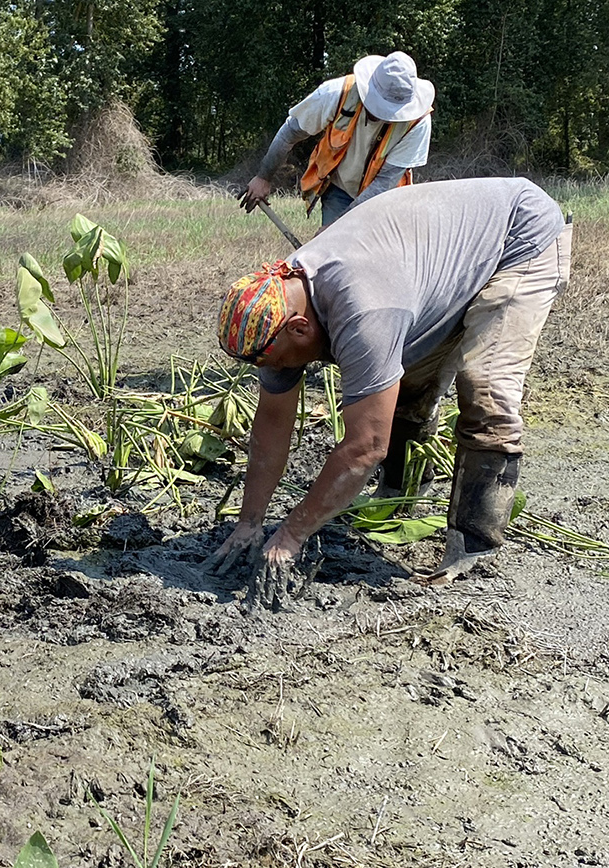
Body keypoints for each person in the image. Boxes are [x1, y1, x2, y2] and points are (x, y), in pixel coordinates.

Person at [207, 177, 572, 610]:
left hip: (518, 237)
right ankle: (399, 497)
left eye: (276, 361)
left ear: (300, 328)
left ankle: (475, 547)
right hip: (433, 261)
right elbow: (271, 420)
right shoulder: (281, 299)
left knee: (485, 388)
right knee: (401, 389)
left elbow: (366, 446)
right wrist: (251, 521)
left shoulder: (364, 311)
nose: (278, 371)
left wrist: (290, 535)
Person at [241, 51, 435, 227]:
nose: (383, 116)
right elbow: (290, 132)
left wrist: (338, 227)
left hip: (384, 201)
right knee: (335, 261)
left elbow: (384, 183)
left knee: (373, 261)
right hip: (339, 189)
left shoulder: (418, 123)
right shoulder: (336, 94)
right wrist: (263, 177)